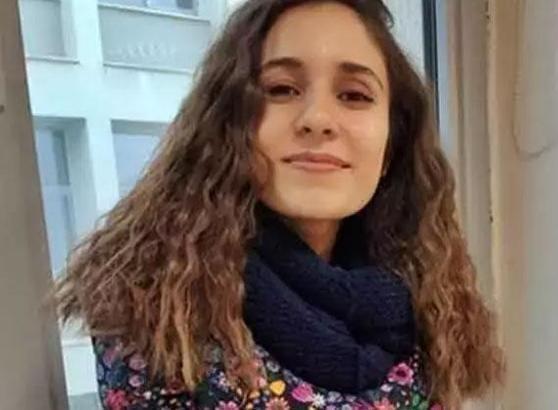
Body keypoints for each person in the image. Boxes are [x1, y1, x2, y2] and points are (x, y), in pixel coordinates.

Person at [53, 0, 505, 408]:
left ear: (391, 147)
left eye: (354, 95)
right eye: (282, 89)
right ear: (229, 125)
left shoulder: (425, 301)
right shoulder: (162, 311)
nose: (317, 120)